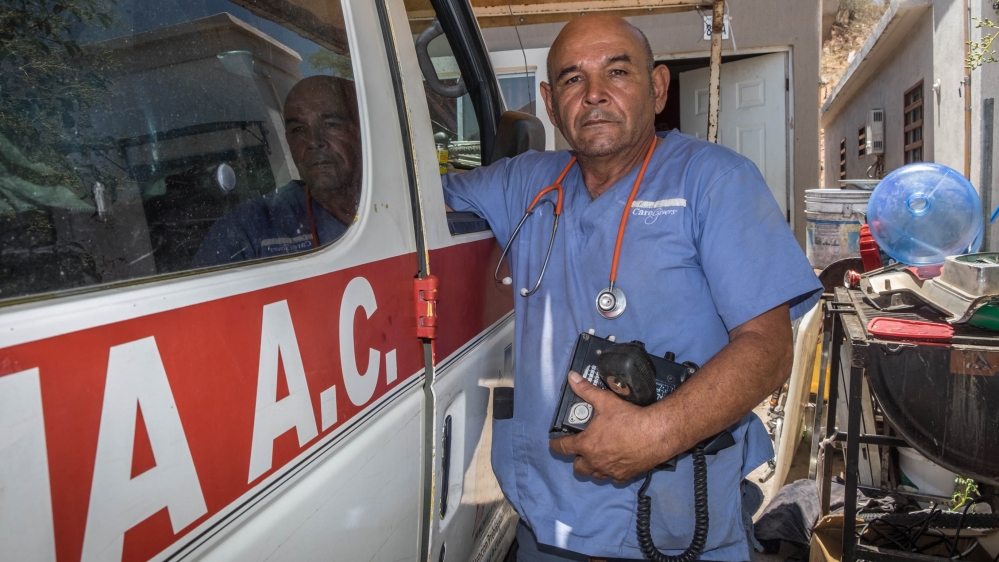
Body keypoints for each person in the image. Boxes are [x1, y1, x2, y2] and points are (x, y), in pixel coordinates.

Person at [441, 15, 822, 562]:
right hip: (547, 527)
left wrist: (657, 433)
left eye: (617, 72)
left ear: (658, 87)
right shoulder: (523, 183)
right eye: (573, 80)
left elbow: (768, 350)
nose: (595, 94)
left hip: (677, 524)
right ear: (550, 103)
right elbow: (406, 207)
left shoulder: (713, 181)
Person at [192, 75, 362, 266]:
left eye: (331, 124)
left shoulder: (398, 202)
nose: (313, 141)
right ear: (288, 140)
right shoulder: (250, 230)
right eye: (298, 129)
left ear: (362, 130)